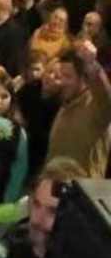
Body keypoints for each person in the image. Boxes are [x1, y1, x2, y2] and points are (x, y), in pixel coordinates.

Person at [43, 47, 111, 176]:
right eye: (60, 76)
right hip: (54, 189)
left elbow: (106, 99)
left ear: (84, 79)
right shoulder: (64, 106)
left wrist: (92, 65)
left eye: (68, 77)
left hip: (84, 192)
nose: (62, 82)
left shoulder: (95, 107)